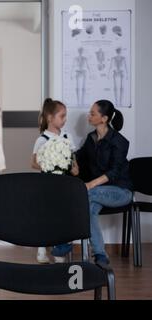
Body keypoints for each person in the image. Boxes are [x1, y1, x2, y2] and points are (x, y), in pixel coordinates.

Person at [75, 100, 133, 265]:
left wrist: (90, 185)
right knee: (89, 210)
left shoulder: (120, 141)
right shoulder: (91, 138)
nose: (89, 116)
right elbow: (79, 157)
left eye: (93, 113)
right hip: (98, 193)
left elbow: (114, 173)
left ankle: (64, 243)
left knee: (85, 194)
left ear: (104, 118)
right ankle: (100, 256)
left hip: (121, 191)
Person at [32, 98, 79, 264]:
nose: (65, 119)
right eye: (62, 116)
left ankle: (60, 251)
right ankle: (42, 246)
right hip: (47, 184)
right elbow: (33, 163)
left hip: (65, 184)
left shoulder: (68, 137)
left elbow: (74, 163)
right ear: (50, 118)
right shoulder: (42, 139)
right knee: (48, 217)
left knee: (65, 217)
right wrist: (51, 164)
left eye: (65, 116)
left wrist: (73, 168)